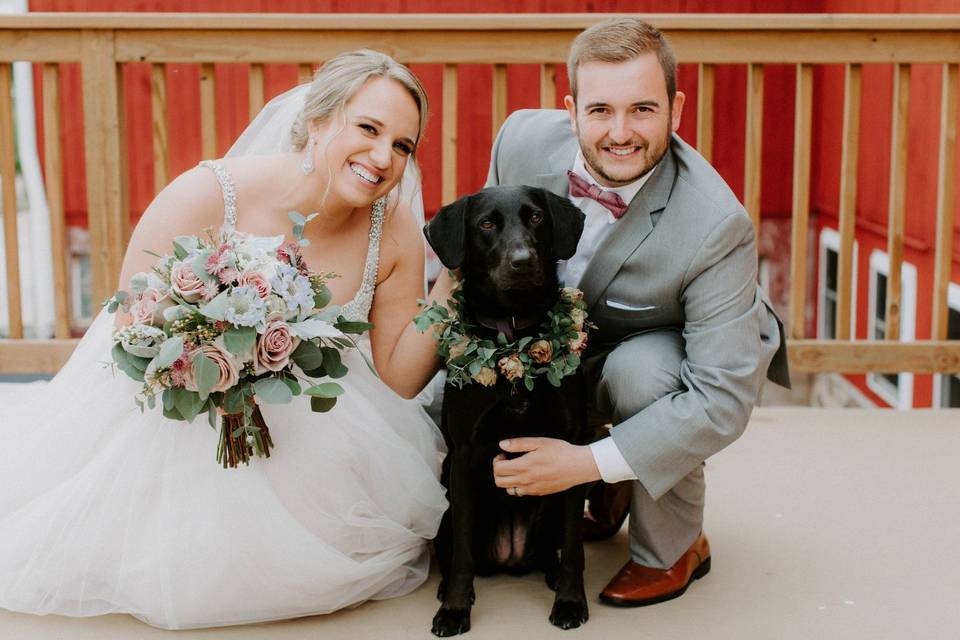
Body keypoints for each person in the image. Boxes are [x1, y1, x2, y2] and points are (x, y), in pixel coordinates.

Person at [0, 49, 454, 629]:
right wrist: (210, 357)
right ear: (316, 122)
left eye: (402, 145)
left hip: (315, 423)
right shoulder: (212, 191)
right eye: (367, 128)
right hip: (177, 407)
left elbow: (400, 376)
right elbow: (130, 320)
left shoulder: (393, 229)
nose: (383, 157)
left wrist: (454, 281)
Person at [485, 18, 791, 607]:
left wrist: (585, 464)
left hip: (660, 344)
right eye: (600, 110)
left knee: (645, 377)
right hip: (557, 335)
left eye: (642, 110)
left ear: (676, 110)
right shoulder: (518, 140)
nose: (620, 133)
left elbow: (720, 398)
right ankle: (618, 475)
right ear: (570, 109)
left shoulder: (715, 224)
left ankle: (673, 548)